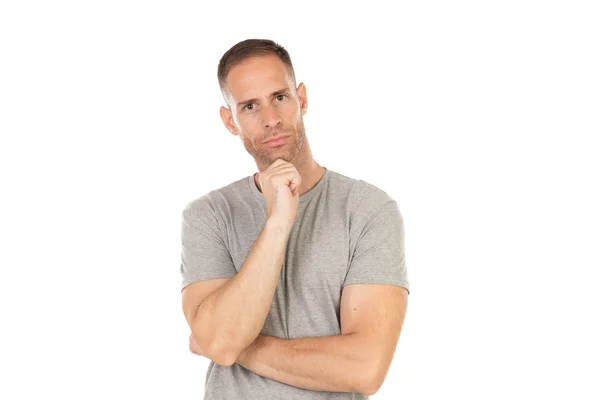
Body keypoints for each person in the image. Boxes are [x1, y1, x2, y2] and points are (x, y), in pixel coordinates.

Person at [179, 38, 410, 399]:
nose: (271, 119)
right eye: (251, 106)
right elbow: (219, 343)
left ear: (301, 99)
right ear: (230, 121)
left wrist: (236, 347)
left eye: (280, 98)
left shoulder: (368, 210)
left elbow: (365, 369)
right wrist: (278, 223)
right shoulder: (209, 215)